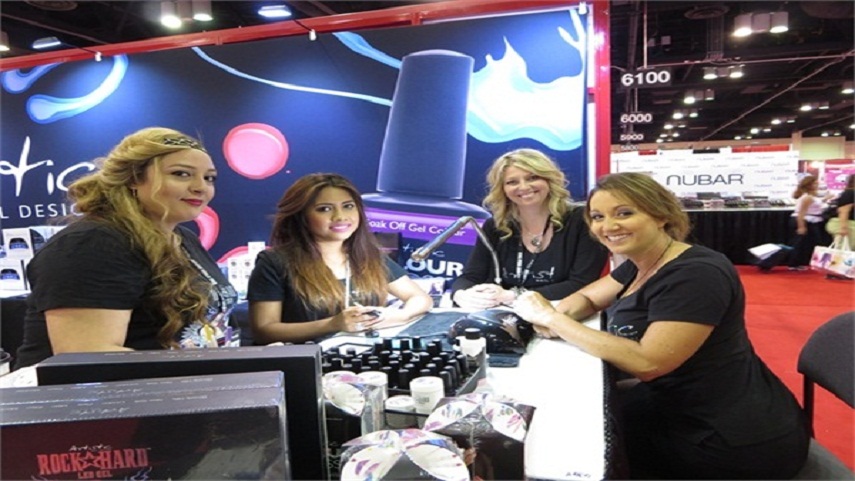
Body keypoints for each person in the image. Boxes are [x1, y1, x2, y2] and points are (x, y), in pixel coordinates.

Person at [513, 172, 809, 479]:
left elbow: (649, 362)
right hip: (677, 404)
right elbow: (588, 297)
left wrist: (554, 319)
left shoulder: (696, 274)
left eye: (624, 213)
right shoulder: (642, 262)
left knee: (565, 448)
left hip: (729, 440)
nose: (608, 226)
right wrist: (558, 315)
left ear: (661, 215)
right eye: (598, 216)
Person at [15, 127, 238, 369]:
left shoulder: (183, 238)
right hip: (118, 392)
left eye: (209, 178)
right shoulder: (94, 243)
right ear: (133, 178)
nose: (200, 187)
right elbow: (88, 357)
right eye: (181, 174)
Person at [247, 173, 432, 344]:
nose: (340, 216)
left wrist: (399, 316)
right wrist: (333, 324)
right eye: (325, 209)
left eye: (348, 206)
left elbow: (420, 298)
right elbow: (264, 330)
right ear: (301, 216)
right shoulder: (274, 262)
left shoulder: (369, 255)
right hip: (308, 360)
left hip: (367, 357)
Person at [451, 149, 608, 309]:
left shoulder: (582, 219)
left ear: (549, 180)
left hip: (562, 314)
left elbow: (582, 283)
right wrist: (461, 294)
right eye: (512, 182)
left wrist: (513, 296)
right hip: (504, 315)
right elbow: (471, 276)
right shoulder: (496, 226)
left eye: (532, 178)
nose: (524, 187)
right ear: (502, 189)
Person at [787, 174, 830, 270]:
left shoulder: (810, 196)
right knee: (800, 243)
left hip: (810, 221)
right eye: (815, 183)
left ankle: (799, 262)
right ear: (809, 185)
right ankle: (793, 264)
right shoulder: (807, 198)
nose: (817, 185)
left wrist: (825, 199)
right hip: (805, 220)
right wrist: (801, 226)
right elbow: (801, 213)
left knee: (806, 243)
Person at [826, 173, 854, 248]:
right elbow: (843, 211)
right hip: (847, 224)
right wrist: (843, 228)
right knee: (845, 248)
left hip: (847, 224)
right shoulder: (850, 193)